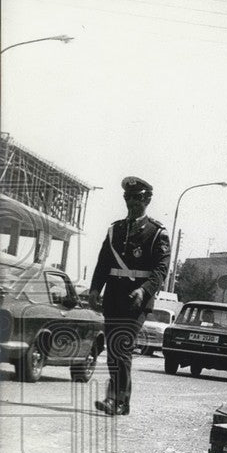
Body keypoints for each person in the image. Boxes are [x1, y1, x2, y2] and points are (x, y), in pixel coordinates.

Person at [89, 177, 171, 415]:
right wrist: (95, 288)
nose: (132, 202)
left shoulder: (157, 233)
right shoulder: (116, 229)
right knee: (114, 349)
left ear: (147, 200)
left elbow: (160, 270)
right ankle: (122, 402)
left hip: (137, 300)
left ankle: (116, 400)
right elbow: (103, 262)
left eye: (137, 198)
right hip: (114, 296)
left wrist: (144, 289)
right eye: (128, 197)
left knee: (121, 346)